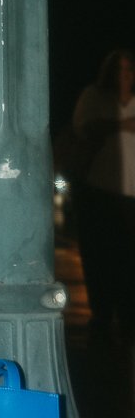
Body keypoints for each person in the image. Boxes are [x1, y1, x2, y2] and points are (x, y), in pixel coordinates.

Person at [72, 47, 135, 338]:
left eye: (129, 68)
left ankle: (127, 314)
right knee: (100, 254)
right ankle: (101, 312)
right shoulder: (95, 97)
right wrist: (120, 124)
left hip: (131, 194)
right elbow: (82, 129)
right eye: (120, 69)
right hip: (99, 188)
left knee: (127, 256)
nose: (125, 75)